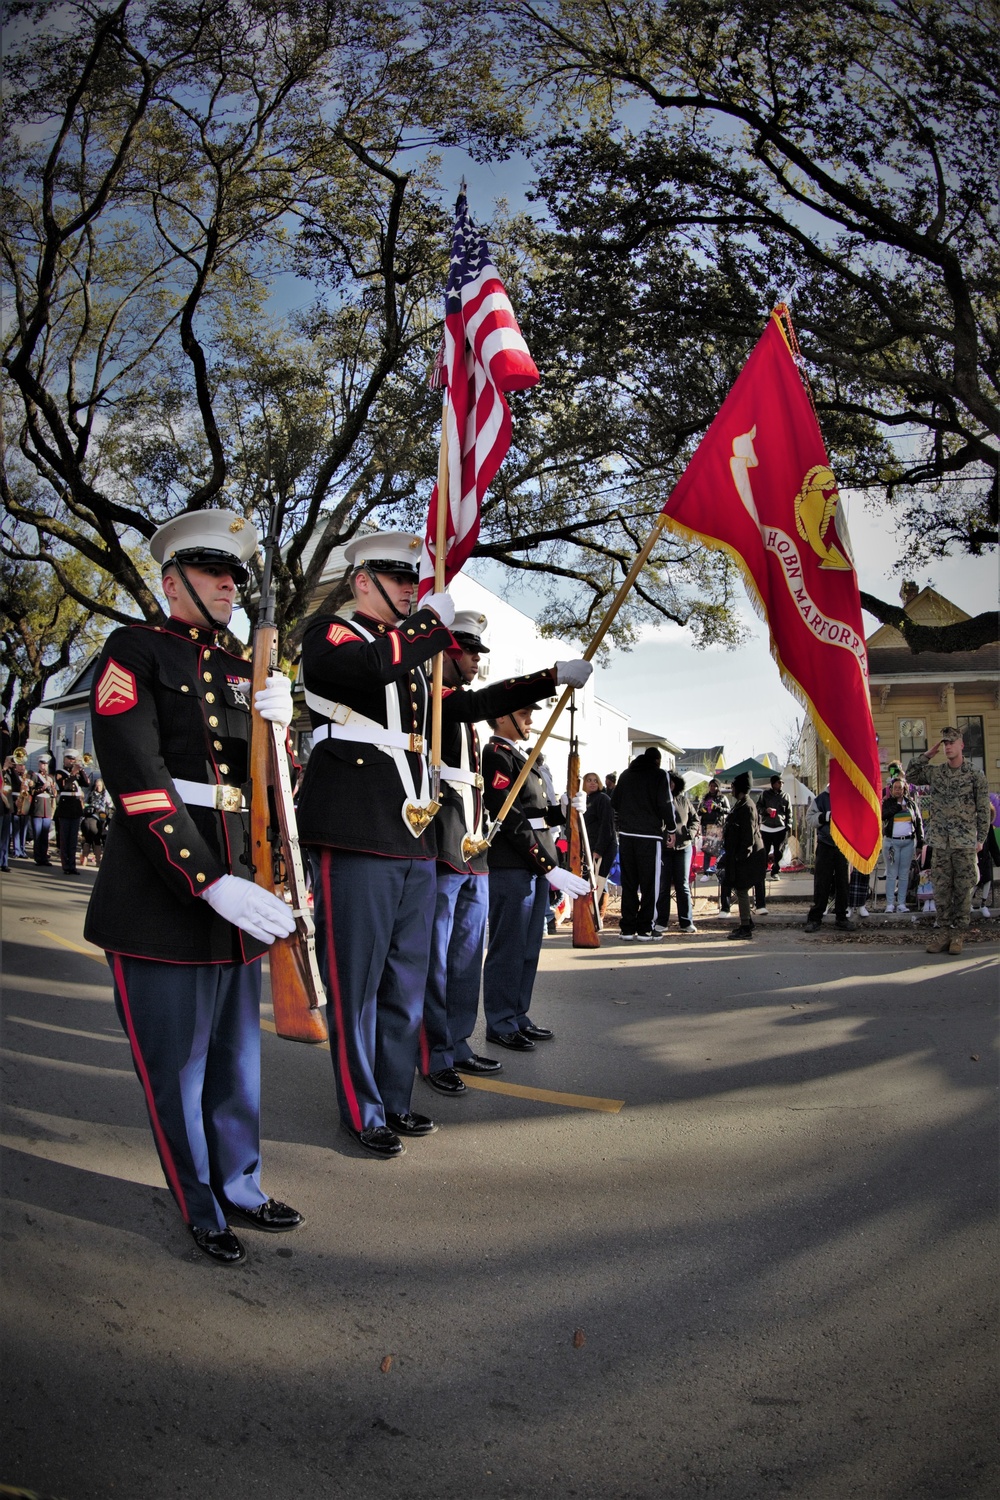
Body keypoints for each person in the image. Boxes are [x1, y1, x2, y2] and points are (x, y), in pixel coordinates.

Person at [84, 509, 303, 1266]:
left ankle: (240, 1181)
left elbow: (270, 793)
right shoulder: (133, 650)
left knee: (237, 1062)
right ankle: (199, 1200)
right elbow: (138, 782)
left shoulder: (251, 671)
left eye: (236, 574)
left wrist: (284, 734)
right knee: (178, 1067)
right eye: (214, 572)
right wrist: (206, 882)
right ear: (172, 580)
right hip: (162, 893)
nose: (229, 584)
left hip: (239, 891)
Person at [420, 610, 590, 1094]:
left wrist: (561, 816)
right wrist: (551, 675)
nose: (475, 659)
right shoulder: (438, 705)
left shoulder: (473, 727)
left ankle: (456, 1041)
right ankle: (437, 1049)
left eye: (476, 651)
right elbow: (503, 810)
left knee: (468, 958)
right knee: (441, 960)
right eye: (468, 650)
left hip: (472, 852)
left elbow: (500, 805)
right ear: (445, 651)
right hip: (447, 848)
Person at [480, 705, 590, 1044]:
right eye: (524, 714)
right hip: (514, 862)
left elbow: (538, 813)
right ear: (501, 717)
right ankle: (499, 1022)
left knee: (528, 947)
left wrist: (566, 806)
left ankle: (517, 1014)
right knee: (508, 948)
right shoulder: (497, 754)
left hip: (537, 862)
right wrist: (548, 865)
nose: (530, 720)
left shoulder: (524, 758)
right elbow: (510, 818)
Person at [907, 727, 991, 956]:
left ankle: (958, 935)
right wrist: (928, 754)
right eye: (944, 743)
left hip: (964, 843)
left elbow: (983, 809)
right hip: (941, 843)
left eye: (951, 742)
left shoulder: (975, 774)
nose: (947, 747)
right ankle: (944, 932)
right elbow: (911, 775)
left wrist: (981, 838)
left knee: (963, 890)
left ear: (962, 745)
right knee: (942, 890)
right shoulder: (937, 773)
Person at [610, 747, 676, 941]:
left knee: (629, 882)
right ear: (657, 760)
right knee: (650, 883)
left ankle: (627, 928)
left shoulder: (626, 774)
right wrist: (671, 829)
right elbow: (666, 803)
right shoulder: (659, 774)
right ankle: (646, 928)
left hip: (627, 835)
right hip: (650, 835)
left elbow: (615, 802)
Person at [803, 784, 857, 933]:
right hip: (825, 844)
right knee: (822, 883)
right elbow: (810, 818)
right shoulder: (820, 799)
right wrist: (825, 816)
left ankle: (841, 918)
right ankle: (815, 918)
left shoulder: (847, 798)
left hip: (843, 846)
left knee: (843, 884)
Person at [655, 771, 700, 933]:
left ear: (677, 783)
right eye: (667, 782)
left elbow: (695, 820)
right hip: (664, 849)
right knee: (663, 885)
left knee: (682, 885)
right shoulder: (657, 801)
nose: (670, 784)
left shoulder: (684, 800)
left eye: (672, 781)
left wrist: (690, 833)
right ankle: (661, 921)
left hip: (683, 847)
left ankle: (686, 922)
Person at [722, 771, 764, 939]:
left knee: (741, 889)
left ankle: (745, 927)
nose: (731, 789)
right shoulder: (741, 803)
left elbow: (747, 835)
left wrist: (741, 857)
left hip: (747, 857)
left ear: (739, 788)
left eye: (732, 786)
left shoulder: (746, 806)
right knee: (739, 888)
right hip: (740, 855)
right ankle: (748, 922)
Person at [881, 776, 923, 912]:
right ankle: (889, 904)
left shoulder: (911, 804)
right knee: (892, 874)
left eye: (900, 788)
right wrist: (898, 807)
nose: (898, 790)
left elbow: (918, 823)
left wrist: (920, 843)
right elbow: (884, 815)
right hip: (892, 842)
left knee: (904, 873)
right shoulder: (888, 803)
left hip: (908, 842)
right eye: (895, 788)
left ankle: (901, 903)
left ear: (905, 789)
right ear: (892, 790)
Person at [582, 770, 617, 912]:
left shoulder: (603, 799)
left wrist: (599, 850)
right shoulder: (585, 800)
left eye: (595, 780)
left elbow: (606, 826)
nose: (592, 783)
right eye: (589, 780)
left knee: (599, 881)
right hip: (590, 846)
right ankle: (590, 913)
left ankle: (596, 915)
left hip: (603, 847)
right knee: (590, 881)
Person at [54, 752, 86, 874]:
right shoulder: (60, 773)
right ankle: (66, 866)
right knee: (64, 839)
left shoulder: (77, 772)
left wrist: (81, 771)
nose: (72, 761)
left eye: (74, 759)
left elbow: (86, 783)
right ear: (65, 759)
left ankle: (72, 865)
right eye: (70, 759)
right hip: (65, 808)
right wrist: (73, 773)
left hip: (76, 808)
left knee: (73, 840)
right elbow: (64, 786)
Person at [757, 773, 791, 882]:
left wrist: (788, 825)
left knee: (778, 852)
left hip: (780, 828)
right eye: (778, 782)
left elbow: (789, 812)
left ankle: (775, 871)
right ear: (773, 784)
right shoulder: (765, 794)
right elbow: (758, 807)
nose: (781, 784)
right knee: (764, 851)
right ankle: (762, 871)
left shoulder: (786, 796)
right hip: (766, 827)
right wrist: (766, 810)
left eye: (782, 782)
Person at [29, 757, 57, 866]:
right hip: (38, 807)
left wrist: (51, 787)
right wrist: (42, 788)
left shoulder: (49, 777)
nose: (44, 766)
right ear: (39, 764)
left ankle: (44, 857)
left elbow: (53, 794)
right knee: (37, 834)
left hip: (47, 809)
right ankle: (38, 857)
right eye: (42, 764)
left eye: (46, 764)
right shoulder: (35, 776)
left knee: (45, 835)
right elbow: (31, 791)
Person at [81, 776, 113, 866]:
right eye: (97, 785)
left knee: (92, 839)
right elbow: (85, 802)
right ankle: (90, 860)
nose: (98, 787)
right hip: (93, 816)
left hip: (99, 816)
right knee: (92, 839)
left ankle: (95, 860)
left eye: (99, 785)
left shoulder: (105, 794)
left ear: (103, 786)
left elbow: (109, 804)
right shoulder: (91, 793)